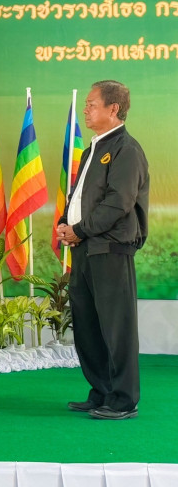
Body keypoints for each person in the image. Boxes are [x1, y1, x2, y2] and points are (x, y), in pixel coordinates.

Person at [57, 80, 149, 421]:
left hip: (110, 248)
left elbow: (118, 203)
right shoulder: (91, 149)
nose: (86, 109)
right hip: (84, 248)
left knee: (116, 327)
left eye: (92, 104)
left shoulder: (127, 149)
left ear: (113, 108)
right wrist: (65, 222)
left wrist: (78, 230)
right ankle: (102, 391)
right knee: (88, 325)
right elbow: (80, 196)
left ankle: (123, 400)